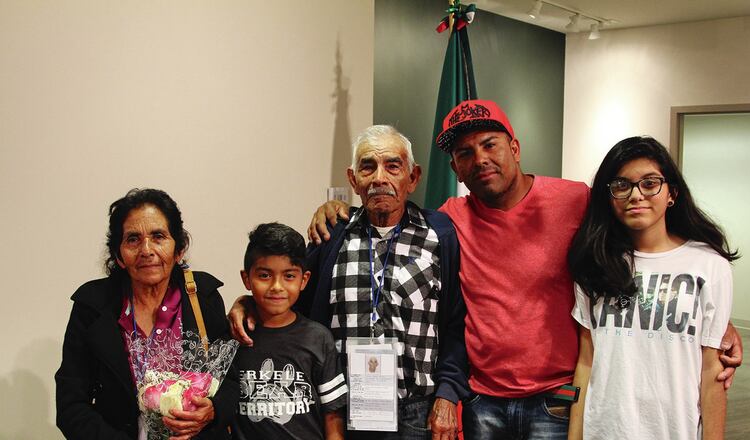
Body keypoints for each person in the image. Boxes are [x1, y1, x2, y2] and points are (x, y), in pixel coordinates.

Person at [306, 100, 743, 439]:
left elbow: (644, 243)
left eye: (490, 145)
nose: (480, 159)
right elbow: (386, 224)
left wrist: (714, 322)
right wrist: (336, 210)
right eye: (465, 153)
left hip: (554, 399)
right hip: (482, 402)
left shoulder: (575, 200)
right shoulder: (446, 222)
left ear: (514, 148)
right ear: (455, 168)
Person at [229, 125, 468, 440]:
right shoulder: (331, 235)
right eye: (368, 166)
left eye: (392, 166)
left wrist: (448, 393)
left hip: (417, 411)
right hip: (344, 410)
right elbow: (287, 293)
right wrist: (246, 302)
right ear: (354, 179)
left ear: (413, 177)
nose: (379, 177)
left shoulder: (441, 235)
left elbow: (456, 322)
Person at [567, 136, 736, 440]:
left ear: (671, 193)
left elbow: (713, 371)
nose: (636, 195)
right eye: (621, 185)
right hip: (606, 429)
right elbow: (586, 361)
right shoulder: (595, 262)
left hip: (675, 430)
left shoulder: (709, 266)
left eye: (649, 183)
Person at [55, 188, 238, 440]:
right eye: (132, 239)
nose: (146, 250)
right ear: (119, 255)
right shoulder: (93, 306)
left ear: (179, 249)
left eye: (158, 236)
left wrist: (214, 411)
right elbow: (71, 404)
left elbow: (233, 379)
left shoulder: (202, 296)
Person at [233, 222, 346, 440]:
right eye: (265, 275)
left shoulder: (318, 338)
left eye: (289, 276)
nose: (277, 286)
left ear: (304, 280)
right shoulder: (236, 335)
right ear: (246, 278)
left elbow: (333, 416)